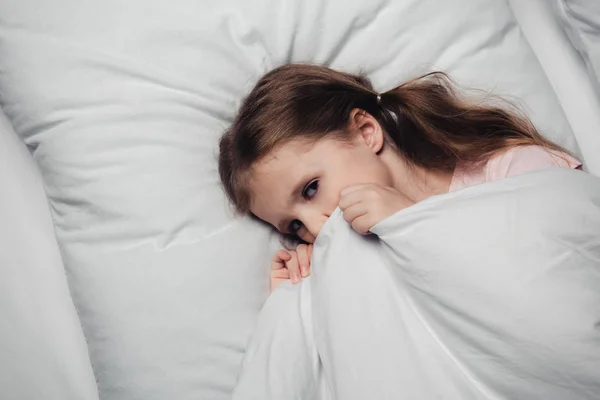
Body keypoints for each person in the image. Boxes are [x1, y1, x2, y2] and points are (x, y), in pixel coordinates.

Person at [218, 64, 581, 292]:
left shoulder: (510, 171)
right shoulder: (349, 267)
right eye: (293, 226)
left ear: (365, 131)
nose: (315, 227)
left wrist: (414, 224)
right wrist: (298, 301)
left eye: (312, 189)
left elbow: (557, 274)